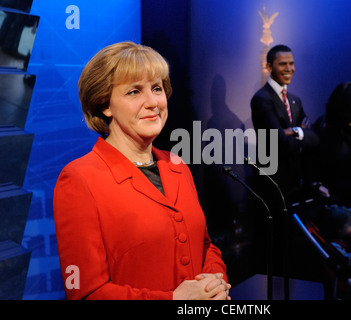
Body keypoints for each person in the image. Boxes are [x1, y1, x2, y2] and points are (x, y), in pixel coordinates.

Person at [53, 41, 231, 300]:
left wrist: (215, 283)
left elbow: (205, 246)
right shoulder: (80, 179)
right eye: (134, 92)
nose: (153, 102)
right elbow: (86, 293)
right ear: (105, 104)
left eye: (157, 88)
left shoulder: (177, 166)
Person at [250, 44, 321, 203]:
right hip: (273, 183)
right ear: (269, 67)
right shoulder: (262, 99)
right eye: (283, 64)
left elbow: (315, 136)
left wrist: (295, 131)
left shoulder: (295, 100)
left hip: (295, 182)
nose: (289, 68)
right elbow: (279, 142)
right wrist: (301, 134)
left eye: (291, 63)